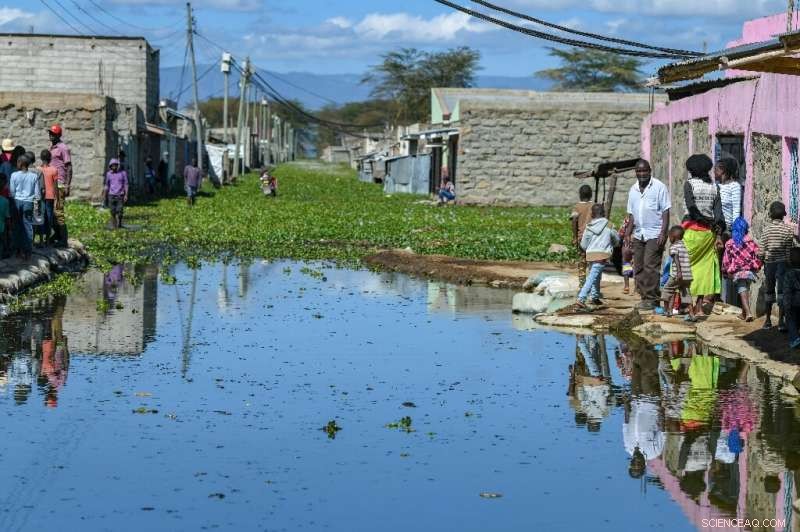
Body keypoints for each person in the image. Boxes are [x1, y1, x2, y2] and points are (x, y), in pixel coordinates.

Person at [625, 159, 671, 310]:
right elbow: (631, 214)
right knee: (638, 266)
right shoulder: (633, 190)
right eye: (639, 171)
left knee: (650, 266)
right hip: (639, 233)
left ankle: (652, 299)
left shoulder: (659, 187)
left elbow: (665, 211)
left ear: (650, 171)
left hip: (654, 234)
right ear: (635, 172)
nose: (642, 174)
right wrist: (628, 232)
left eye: (645, 171)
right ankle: (644, 297)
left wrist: (663, 232)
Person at [682, 154, 725, 316]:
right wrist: (716, 229)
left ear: (692, 170)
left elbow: (692, 209)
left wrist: (704, 220)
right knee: (704, 271)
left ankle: (689, 307)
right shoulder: (715, 187)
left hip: (690, 232)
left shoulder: (689, 184)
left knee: (684, 270)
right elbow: (719, 215)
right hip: (708, 235)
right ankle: (700, 306)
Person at [759, 201, 799, 330]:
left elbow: (761, 250)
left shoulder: (766, 230)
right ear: (783, 215)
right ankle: (781, 322)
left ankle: (768, 320)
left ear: (770, 215)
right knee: (782, 292)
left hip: (770, 264)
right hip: (783, 265)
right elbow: (789, 250)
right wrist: (788, 262)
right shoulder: (787, 230)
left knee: (769, 291)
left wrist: (762, 259)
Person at [577, 204, 620, 308]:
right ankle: (581, 298)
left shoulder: (589, 227)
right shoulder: (609, 225)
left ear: (592, 214)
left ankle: (594, 297)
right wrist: (614, 244)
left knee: (596, 275)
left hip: (591, 255)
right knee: (593, 276)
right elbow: (616, 240)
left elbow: (583, 245)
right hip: (602, 255)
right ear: (604, 213)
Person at [722, 217, 762, 322]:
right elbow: (757, 256)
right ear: (745, 229)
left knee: (742, 290)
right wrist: (757, 266)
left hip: (738, 271)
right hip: (749, 271)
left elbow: (726, 260)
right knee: (745, 290)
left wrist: (727, 270)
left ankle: (748, 313)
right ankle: (744, 313)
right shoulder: (751, 242)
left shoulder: (730, 244)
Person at [657, 225, 695, 321]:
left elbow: (676, 259)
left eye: (669, 237)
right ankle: (691, 314)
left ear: (673, 237)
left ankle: (667, 311)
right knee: (686, 294)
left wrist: (678, 271)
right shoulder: (684, 246)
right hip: (687, 276)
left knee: (667, 290)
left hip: (677, 275)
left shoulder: (674, 247)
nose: (669, 239)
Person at [10, 155, 41, 260]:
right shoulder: (33, 176)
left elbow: (12, 191)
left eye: (18, 162)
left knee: (17, 226)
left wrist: (14, 200)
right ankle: (28, 252)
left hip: (17, 202)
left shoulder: (14, 175)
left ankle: (18, 251)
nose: (16, 164)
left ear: (22, 164)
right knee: (28, 226)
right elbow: (37, 194)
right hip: (28, 203)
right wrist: (37, 204)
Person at [48, 125, 71, 247]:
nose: (51, 135)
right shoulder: (52, 147)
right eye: (50, 133)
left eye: (53, 133)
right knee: (51, 211)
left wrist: (67, 185)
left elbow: (69, 166)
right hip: (52, 183)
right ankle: (57, 235)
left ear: (58, 135)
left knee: (58, 211)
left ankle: (64, 240)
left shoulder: (63, 148)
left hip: (60, 183)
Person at [571, 184, 594, 286]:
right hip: (593, 238)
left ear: (580, 195)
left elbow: (574, 221)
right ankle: (592, 282)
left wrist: (575, 237)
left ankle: (582, 283)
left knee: (582, 260)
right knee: (592, 260)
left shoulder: (576, 207)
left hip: (581, 238)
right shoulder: (594, 206)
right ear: (591, 195)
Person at [715, 157, 742, 232]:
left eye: (716, 169)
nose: (714, 172)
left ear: (723, 170)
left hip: (727, 228)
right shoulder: (716, 186)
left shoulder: (734, 186)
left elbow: (736, 209)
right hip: (715, 226)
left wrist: (735, 229)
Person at [38, 150, 58, 246]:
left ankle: (41, 240)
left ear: (41, 158)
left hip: (40, 197)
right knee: (49, 218)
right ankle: (48, 240)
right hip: (50, 197)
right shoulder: (54, 170)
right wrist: (57, 198)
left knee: (41, 217)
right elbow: (55, 186)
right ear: (50, 159)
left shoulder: (38, 169)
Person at [103, 159, 128, 230]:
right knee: (112, 211)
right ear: (110, 166)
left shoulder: (123, 173)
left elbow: (126, 184)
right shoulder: (108, 174)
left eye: (115, 165)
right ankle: (114, 225)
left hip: (120, 195)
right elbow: (107, 185)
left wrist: (126, 195)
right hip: (111, 195)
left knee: (120, 211)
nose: (114, 167)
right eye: (112, 166)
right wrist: (105, 196)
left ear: (117, 166)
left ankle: (119, 222)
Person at [782, 248, 800, 349]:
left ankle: (794, 339)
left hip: (794, 301)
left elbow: (787, 291)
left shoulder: (789, 274)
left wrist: (786, 306)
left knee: (791, 319)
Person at [0, 174, 9, 259]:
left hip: (2, 225)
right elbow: (7, 217)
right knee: (3, 241)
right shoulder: (5, 200)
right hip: (2, 227)